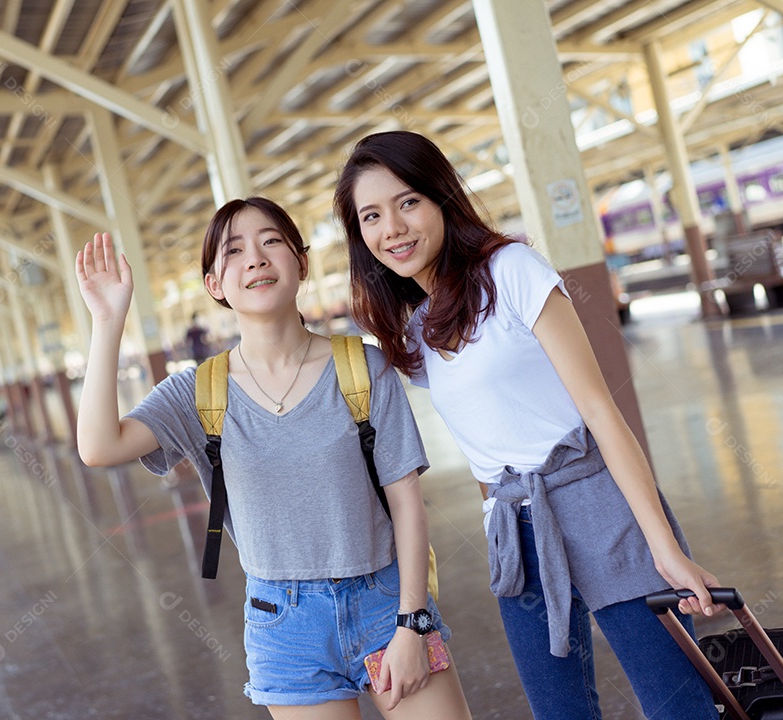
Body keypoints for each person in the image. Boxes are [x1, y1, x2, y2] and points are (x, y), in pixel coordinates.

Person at [333, 131, 725, 720]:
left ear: (442, 198)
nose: (393, 227)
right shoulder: (417, 333)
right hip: (513, 531)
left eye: (408, 201)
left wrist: (664, 549)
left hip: (597, 503)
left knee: (678, 706)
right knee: (559, 712)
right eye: (372, 215)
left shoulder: (511, 269)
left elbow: (599, 410)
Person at [74, 196, 474, 719]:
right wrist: (107, 323)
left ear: (301, 262)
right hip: (282, 624)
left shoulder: (361, 365)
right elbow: (99, 446)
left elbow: (407, 504)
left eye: (271, 242)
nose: (256, 259)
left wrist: (412, 621)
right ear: (215, 284)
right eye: (234, 250)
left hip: (387, 602)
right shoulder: (198, 392)